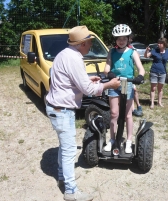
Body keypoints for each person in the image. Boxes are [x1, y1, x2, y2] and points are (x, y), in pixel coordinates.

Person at [45, 25, 120, 201]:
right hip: (63, 110)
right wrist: (109, 85)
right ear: (82, 43)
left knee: (65, 146)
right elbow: (87, 90)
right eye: (90, 42)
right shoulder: (74, 58)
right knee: (69, 150)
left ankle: (63, 176)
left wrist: (87, 79)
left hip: (55, 107)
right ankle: (71, 191)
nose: (91, 45)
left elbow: (70, 80)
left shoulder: (64, 54)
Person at [103, 24, 145, 153]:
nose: (121, 41)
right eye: (118, 38)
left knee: (127, 115)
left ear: (128, 39)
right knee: (114, 113)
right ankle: (112, 139)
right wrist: (109, 74)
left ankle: (128, 141)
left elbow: (141, 68)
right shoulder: (112, 51)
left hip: (127, 83)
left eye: (124, 38)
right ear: (115, 40)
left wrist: (140, 76)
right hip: (115, 83)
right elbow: (107, 67)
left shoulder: (132, 52)